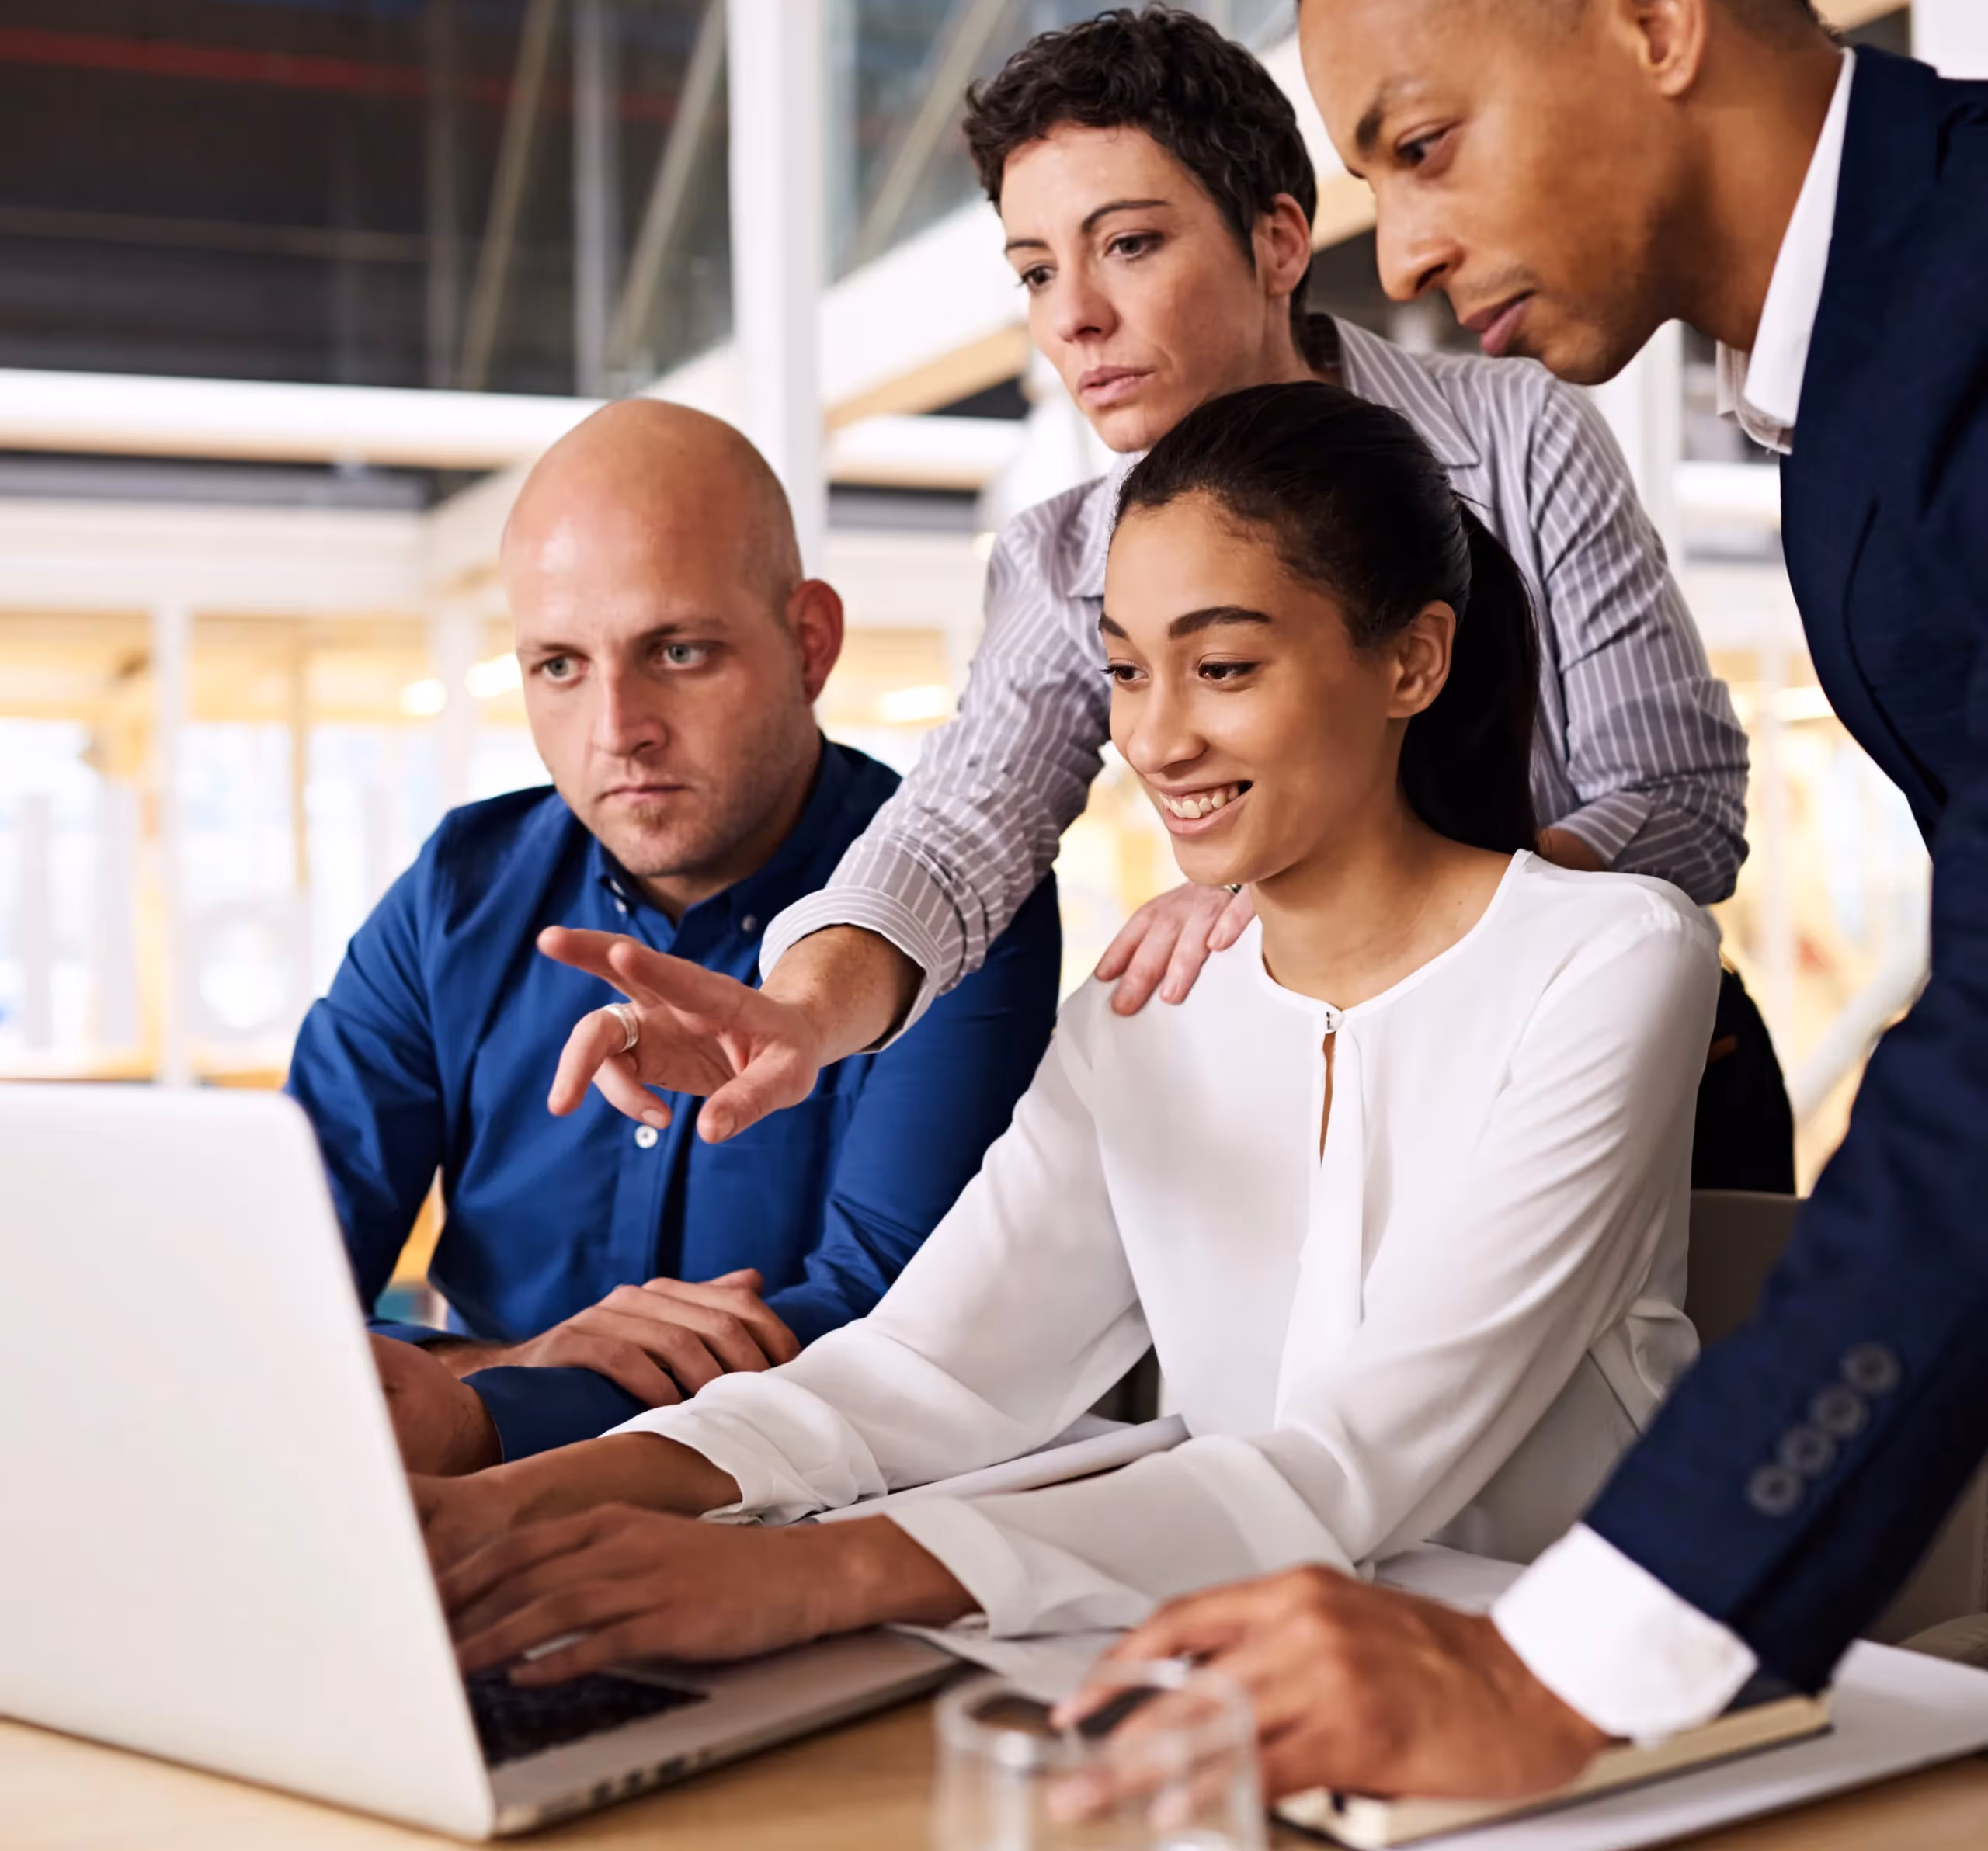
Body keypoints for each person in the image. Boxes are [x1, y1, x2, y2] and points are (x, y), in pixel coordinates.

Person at [1076, 0, 1988, 1805]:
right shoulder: (1849, 412)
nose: (1396, 254)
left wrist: (1567, 1669)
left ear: (1653, 15)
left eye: (1421, 144)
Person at [419, 384, 1721, 1683]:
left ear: (1411, 662)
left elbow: (1349, 1466)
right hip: (1230, 1685)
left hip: (1562, 1697)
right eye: (1123, 669)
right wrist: (511, 1502)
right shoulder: (1147, 1013)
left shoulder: (1611, 960)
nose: (1153, 738)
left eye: (1222, 667)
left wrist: (810, 1573)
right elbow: (922, 1368)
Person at [541, 2, 1785, 1197]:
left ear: (1279, 242)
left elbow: (1680, 799)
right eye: (1035, 270)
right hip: (1350, 1104)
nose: (1075, 317)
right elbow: (959, 829)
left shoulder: (1517, 437)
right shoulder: (1062, 556)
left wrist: (1329, 897)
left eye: (1128, 245)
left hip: (1640, 1083)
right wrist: (805, 1012)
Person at [288, 400, 1058, 1471]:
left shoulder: (957, 908)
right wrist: (516, 1367)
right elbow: (275, 1291)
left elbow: (884, 1330)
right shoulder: (456, 893)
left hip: (807, 1535)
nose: (617, 730)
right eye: (558, 666)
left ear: (810, 643)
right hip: (454, 1520)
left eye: (679, 651)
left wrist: (497, 1402)